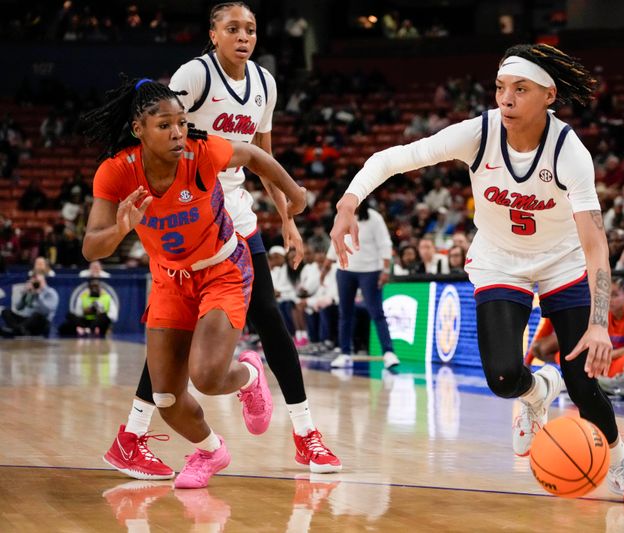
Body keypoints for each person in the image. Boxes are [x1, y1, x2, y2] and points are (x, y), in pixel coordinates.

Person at [330, 43, 624, 504]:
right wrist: (348, 202)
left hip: (562, 261)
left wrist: (600, 320)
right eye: (501, 87)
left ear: (548, 95)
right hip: (500, 260)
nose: (506, 99)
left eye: (520, 89)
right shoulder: (478, 133)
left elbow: (595, 244)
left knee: (583, 380)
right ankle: (536, 391)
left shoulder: (569, 151)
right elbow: (393, 158)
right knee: (503, 377)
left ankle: (623, 467)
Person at [106, 1, 341, 480]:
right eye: (232, 28)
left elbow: (262, 155)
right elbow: (158, 131)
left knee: (272, 321)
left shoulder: (265, 83)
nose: (244, 36)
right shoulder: (194, 76)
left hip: (236, 217)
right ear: (212, 34)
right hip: (190, 218)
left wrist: (286, 218)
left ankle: (306, 436)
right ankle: (132, 435)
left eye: (251, 29)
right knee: (172, 335)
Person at [81, 76, 306, 488]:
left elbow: (254, 155)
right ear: (139, 130)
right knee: (166, 398)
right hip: (169, 280)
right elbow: (91, 249)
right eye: (164, 125)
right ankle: (210, 451)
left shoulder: (201, 154)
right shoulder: (116, 172)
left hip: (223, 269)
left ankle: (249, 376)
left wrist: (295, 193)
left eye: (181, 122)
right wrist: (120, 230)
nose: (177, 132)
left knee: (205, 376)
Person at [326, 201, 399, 369]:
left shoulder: (374, 218)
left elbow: (385, 244)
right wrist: (326, 265)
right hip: (345, 270)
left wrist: (386, 269)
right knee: (345, 313)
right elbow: (334, 241)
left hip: (370, 271)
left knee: (376, 312)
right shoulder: (340, 216)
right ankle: (345, 353)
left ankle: (389, 352)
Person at [0, 273, 59, 337]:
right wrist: (24, 294)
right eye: (34, 282)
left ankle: (16, 330)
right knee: (6, 312)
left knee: (37, 315)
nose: (36, 284)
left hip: (40, 321)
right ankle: (19, 329)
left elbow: (46, 311)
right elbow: (18, 308)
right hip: (27, 320)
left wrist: (38, 295)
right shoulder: (30, 291)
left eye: (38, 282)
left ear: (44, 281)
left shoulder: (51, 292)